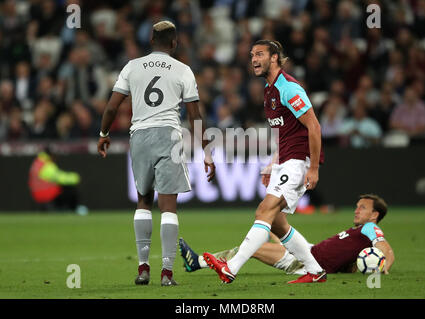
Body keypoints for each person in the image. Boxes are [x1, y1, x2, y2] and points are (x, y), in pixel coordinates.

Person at [97, 21, 215, 287]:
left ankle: (142, 269)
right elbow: (195, 115)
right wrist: (207, 152)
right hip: (169, 136)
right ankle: (166, 274)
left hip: (139, 136)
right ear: (174, 43)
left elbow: (112, 107)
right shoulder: (183, 70)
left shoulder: (131, 66)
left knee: (143, 201)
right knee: (168, 206)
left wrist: (104, 134)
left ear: (151, 40)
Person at [203, 40, 326, 284]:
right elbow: (285, 132)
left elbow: (314, 125)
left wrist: (313, 167)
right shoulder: (269, 90)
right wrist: (273, 162)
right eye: (251, 55)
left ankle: (231, 267)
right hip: (286, 160)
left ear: (274, 58)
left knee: (264, 211)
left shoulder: (289, 88)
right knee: (277, 223)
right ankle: (315, 270)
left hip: (299, 161)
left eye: (259, 54)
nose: (254, 59)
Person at [181, 194, 395, 278]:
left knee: (254, 247)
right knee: (274, 225)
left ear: (374, 215)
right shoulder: (358, 233)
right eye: (357, 206)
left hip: (307, 261)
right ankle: (199, 261)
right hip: (309, 251)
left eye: (363, 208)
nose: (357, 210)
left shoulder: (370, 229)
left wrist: (384, 265)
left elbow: (385, 247)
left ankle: (198, 262)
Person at [28, 147, 87, 215]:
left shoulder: (37, 162)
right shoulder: (45, 165)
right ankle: (74, 209)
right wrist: (75, 177)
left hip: (36, 194)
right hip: (46, 194)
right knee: (70, 189)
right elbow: (60, 178)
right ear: (51, 155)